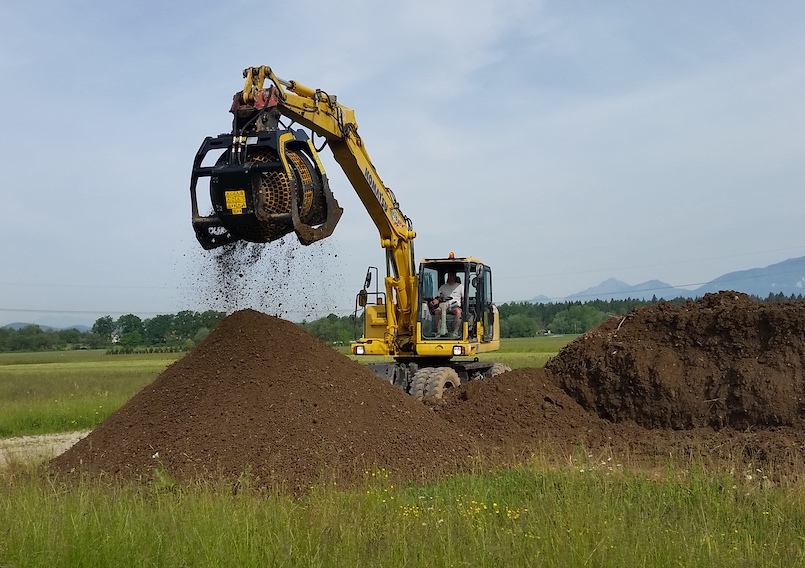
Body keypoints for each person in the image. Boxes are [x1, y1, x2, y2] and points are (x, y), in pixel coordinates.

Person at [429, 272, 463, 337]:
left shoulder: (460, 287)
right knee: (437, 312)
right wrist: (435, 301)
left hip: (454, 306)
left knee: (458, 312)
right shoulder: (443, 287)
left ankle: (455, 332)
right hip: (444, 305)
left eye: (452, 275)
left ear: (455, 276)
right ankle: (439, 332)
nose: (451, 276)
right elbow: (438, 297)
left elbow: (464, 298)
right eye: (450, 275)